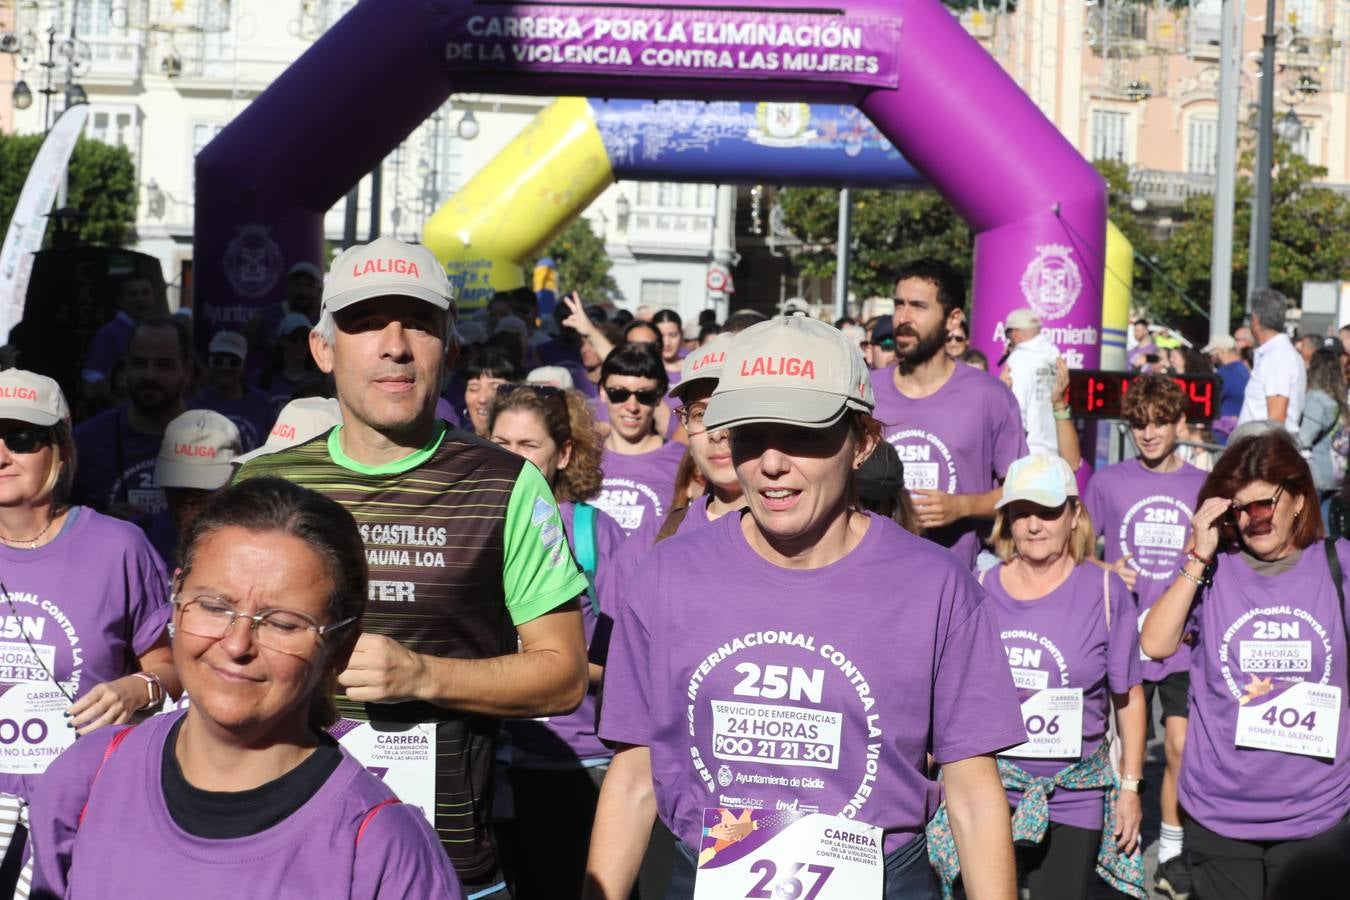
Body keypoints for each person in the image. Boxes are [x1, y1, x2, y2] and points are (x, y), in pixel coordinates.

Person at [586, 315, 1026, 900]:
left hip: (883, 877)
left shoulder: (937, 585)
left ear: (863, 442)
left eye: (802, 433)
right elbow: (635, 773)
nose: (771, 462)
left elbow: (972, 795)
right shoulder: (667, 574)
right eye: (749, 433)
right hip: (703, 873)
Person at [235, 236, 590, 898]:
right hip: (279, 857)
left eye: (419, 324)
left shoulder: (505, 485)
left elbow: (565, 676)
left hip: (444, 867)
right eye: (367, 322)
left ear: (449, 351)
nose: (394, 345)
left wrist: (422, 675)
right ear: (323, 348)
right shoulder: (263, 481)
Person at [29, 477, 464, 899]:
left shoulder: (379, 850)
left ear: (340, 645)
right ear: (175, 601)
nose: (237, 644)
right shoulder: (86, 778)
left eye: (282, 623)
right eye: (215, 606)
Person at [1141, 431, 1350, 900]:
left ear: (1297, 498)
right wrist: (1199, 553)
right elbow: (1155, 643)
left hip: (1316, 813)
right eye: (1237, 510)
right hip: (1221, 814)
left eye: (1261, 506)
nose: (1251, 521)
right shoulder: (1214, 571)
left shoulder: (1339, 566)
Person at [954, 454, 1146, 900]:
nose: (1034, 525)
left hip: (1073, 793)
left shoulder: (1105, 591)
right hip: (990, 791)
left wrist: (1131, 789)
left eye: (1047, 512)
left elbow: (1129, 696)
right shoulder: (979, 588)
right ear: (1006, 522)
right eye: (1021, 514)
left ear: (1074, 514)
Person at [0, 369, 179, 812]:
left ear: (60, 450)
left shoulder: (118, 547)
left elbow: (174, 666)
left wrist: (138, 689)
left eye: (21, 438)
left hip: (84, 805)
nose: (1, 455)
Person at [488, 384, 624, 900]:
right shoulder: (474, 524)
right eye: (501, 443)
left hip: (577, 766)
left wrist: (550, 667)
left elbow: (631, 669)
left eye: (528, 445)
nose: (512, 459)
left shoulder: (594, 532)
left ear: (564, 454)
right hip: (492, 762)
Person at [1080, 375, 1207, 900]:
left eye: (1159, 422)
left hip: (1185, 639)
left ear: (1181, 423)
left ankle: (1172, 850)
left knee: (1178, 746)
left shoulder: (1203, 484)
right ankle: (1117, 841)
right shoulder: (1110, 482)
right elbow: (1078, 549)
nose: (1148, 433)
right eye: (1138, 424)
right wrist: (1108, 566)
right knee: (1119, 752)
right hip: (1123, 639)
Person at [871, 259, 1027, 570]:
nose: (903, 317)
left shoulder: (989, 396)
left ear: (953, 318)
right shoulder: (867, 392)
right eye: (899, 304)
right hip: (874, 575)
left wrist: (962, 506)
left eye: (918, 306)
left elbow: (1022, 493)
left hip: (957, 582)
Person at [73, 315, 192, 518]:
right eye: (139, 363)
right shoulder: (84, 442)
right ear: (125, 367)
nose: (150, 375)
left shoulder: (217, 440)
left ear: (187, 372)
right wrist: (99, 526)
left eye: (163, 365)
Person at [590, 342, 685, 539]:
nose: (631, 406)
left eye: (645, 396)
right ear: (602, 392)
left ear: (659, 396)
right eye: (619, 394)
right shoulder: (582, 458)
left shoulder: (682, 461)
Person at [658, 333, 745, 536]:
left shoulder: (808, 543)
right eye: (701, 414)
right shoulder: (653, 539)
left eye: (731, 410)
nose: (716, 433)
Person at [143, 409, 242, 569]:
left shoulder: (257, 549)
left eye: (204, 487)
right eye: (178, 485)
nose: (189, 496)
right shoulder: (137, 543)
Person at [189, 330, 276, 452]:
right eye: (218, 361)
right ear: (209, 362)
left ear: (243, 365)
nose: (225, 367)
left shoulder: (262, 403)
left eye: (233, 362)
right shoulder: (195, 403)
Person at [81, 273, 158, 403]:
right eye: (133, 294)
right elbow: (91, 380)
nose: (140, 299)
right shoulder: (108, 333)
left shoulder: (161, 330)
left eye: (145, 293)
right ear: (121, 300)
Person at [1237, 288, 1305, 433]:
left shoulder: (1278, 357)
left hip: (1265, 451)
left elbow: (1276, 419)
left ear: (1255, 319)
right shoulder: (1277, 354)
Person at [1002, 309, 1060, 457]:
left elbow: (1016, 409)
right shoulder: (1055, 358)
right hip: (1054, 451)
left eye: (1008, 334)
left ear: (1015, 333)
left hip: (1029, 452)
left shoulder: (1018, 360)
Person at [1299, 347, 1349, 509]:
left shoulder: (1317, 399)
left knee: (1313, 526)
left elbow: (1305, 438)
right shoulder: (1339, 402)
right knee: (1326, 524)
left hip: (1317, 472)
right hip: (1337, 473)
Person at [257, 312, 321, 414]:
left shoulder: (319, 381)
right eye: (294, 338)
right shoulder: (264, 379)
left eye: (305, 338)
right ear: (282, 341)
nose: (300, 344)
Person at [461, 345, 525, 437]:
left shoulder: (527, 449)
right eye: (473, 388)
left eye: (495, 388)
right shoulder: (456, 446)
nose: (482, 399)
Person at [1203, 334, 1249, 442]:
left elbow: (1210, 400)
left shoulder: (1223, 374)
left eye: (1212, 354)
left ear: (1220, 352)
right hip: (1238, 432)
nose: (1211, 358)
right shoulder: (1244, 370)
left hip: (1221, 435)